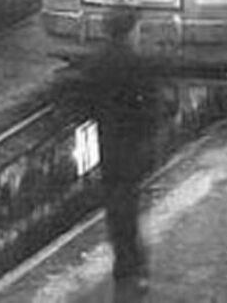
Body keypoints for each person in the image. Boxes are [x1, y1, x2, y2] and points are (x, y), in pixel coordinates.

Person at [63, 15, 161, 295]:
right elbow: (152, 106)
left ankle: (125, 262)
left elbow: (82, 103)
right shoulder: (138, 63)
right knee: (129, 206)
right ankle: (131, 268)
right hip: (134, 147)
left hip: (109, 146)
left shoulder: (97, 62)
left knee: (115, 207)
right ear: (130, 31)